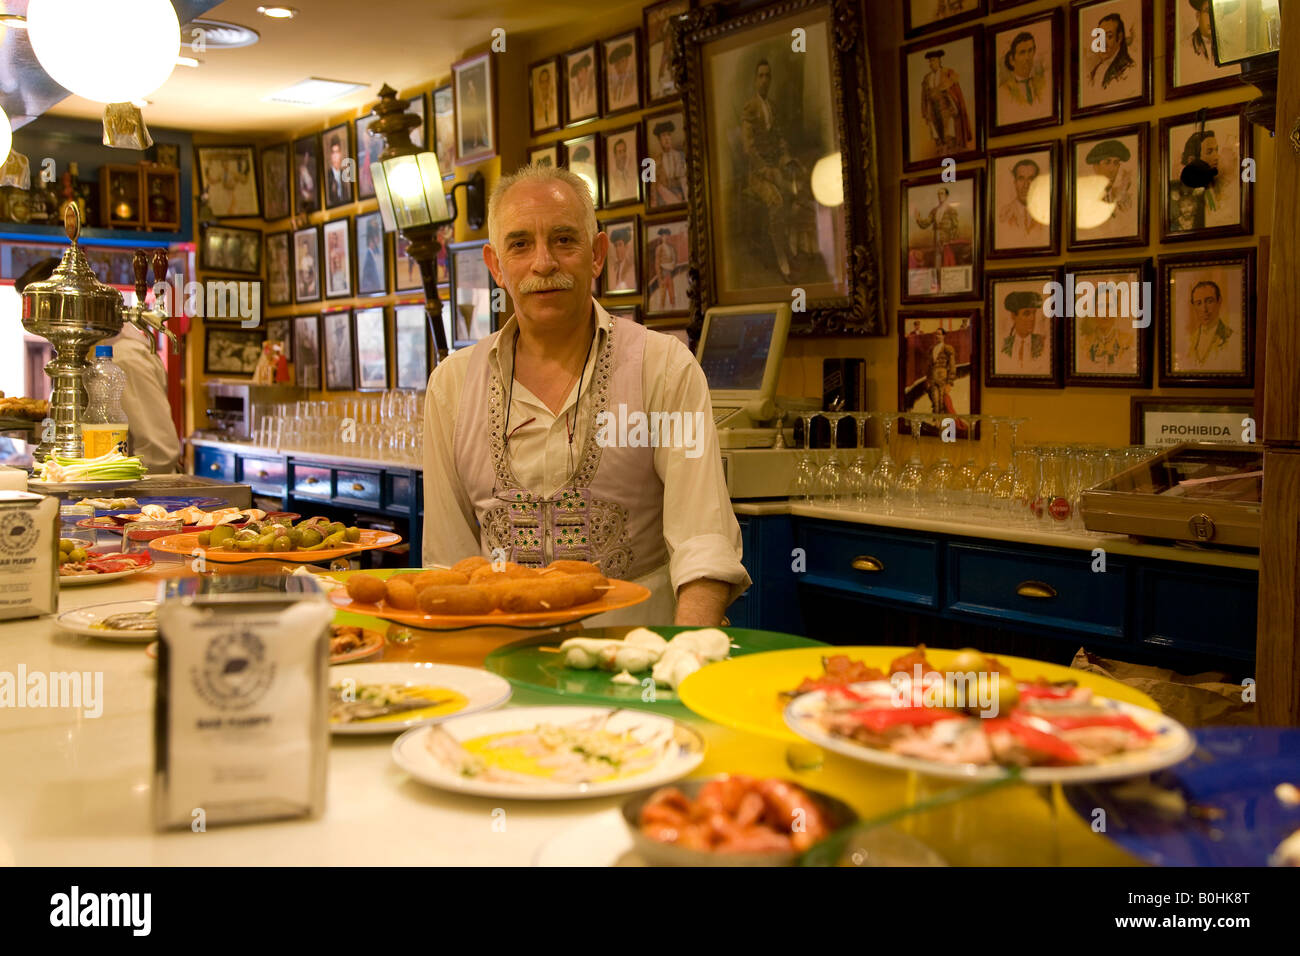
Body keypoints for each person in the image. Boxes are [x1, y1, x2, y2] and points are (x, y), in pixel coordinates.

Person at [421, 164, 749, 625]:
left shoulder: (664, 367)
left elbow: (703, 541)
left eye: (563, 239)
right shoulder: (451, 385)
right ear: (495, 265)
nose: (544, 263)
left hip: (636, 658)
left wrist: (682, 660)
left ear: (596, 254)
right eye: (520, 244)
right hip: (503, 659)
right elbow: (448, 562)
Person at [16, 258, 180, 473]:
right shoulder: (82, 353)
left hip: (132, 496)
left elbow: (159, 452)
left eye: (46, 310)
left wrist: (123, 492)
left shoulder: (124, 357)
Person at [741, 59, 795, 281]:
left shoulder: (771, 106)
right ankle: (780, 257)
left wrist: (785, 158)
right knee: (776, 201)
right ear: (755, 80)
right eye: (760, 75)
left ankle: (787, 243)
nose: (764, 80)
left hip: (774, 167)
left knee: (793, 189)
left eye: (768, 76)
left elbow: (780, 138)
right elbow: (748, 146)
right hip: (757, 174)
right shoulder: (750, 107)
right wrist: (764, 169)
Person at [919, 49, 971, 154]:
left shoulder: (947, 73)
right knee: (935, 130)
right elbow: (924, 96)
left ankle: (949, 150)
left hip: (946, 107)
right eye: (930, 61)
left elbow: (953, 87)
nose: (931, 64)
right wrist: (925, 110)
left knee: (948, 130)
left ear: (938, 61)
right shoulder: (927, 78)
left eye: (933, 60)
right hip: (933, 108)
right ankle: (941, 149)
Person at [1084, 139, 1134, 238]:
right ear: (1095, 166)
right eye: (1107, 162)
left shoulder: (1120, 198)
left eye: (1116, 163)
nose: (1112, 169)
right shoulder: (1085, 199)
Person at [1185, 280, 1234, 369]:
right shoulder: (1190, 340)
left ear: (1219, 302)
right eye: (1199, 303)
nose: (1204, 309)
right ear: (1194, 307)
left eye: (1209, 301)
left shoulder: (1231, 337)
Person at [997, 158, 1046, 245]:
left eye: (1031, 179)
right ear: (1015, 183)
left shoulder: (1046, 214)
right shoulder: (1004, 214)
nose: (1026, 185)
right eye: (1021, 179)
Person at [999, 291, 1049, 374]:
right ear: (1013, 316)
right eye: (1026, 314)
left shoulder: (1042, 343)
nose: (1032, 319)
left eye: (1034, 313)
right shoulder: (1004, 344)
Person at [1086, 13, 1137, 94]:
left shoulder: (1127, 69)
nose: (1103, 44)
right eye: (1100, 37)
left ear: (1119, 38)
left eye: (1109, 36)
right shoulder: (1096, 70)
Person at [999, 30, 1047, 113]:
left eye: (1030, 51)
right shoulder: (1004, 90)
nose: (1027, 58)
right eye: (1022, 53)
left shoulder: (1042, 83)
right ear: (1012, 60)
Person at [651, 119, 686, 207]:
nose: (666, 138)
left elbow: (684, 181)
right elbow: (653, 187)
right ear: (659, 140)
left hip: (679, 196)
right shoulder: (656, 160)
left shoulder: (679, 156)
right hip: (662, 200)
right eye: (663, 136)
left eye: (668, 135)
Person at [924, 327, 957, 414]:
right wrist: (928, 379)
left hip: (943, 378)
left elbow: (952, 366)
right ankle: (937, 423)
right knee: (935, 401)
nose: (937, 336)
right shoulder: (932, 349)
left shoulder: (948, 348)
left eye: (939, 334)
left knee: (942, 402)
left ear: (943, 336)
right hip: (933, 378)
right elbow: (929, 366)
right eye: (936, 334)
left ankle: (942, 424)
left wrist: (949, 383)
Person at [652, 226, 679, 310]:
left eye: (667, 235)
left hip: (669, 274)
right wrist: (660, 277)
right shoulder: (659, 248)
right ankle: (662, 310)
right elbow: (657, 263)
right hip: (663, 274)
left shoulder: (671, 248)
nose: (666, 237)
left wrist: (671, 266)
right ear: (661, 237)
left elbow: (675, 261)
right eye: (664, 235)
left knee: (672, 294)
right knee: (662, 295)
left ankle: (673, 309)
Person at [608, 135, 637, 203]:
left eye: (624, 151)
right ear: (615, 155)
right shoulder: (612, 178)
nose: (623, 154)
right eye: (620, 152)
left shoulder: (633, 175)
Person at [607, 227, 635, 291]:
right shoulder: (615, 267)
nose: (617, 249)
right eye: (615, 245)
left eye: (620, 245)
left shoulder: (630, 267)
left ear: (626, 246)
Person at [360, 217, 383, 292]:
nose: (378, 239)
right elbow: (366, 284)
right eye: (376, 236)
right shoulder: (368, 258)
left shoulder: (373, 255)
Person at [325, 138, 349, 206]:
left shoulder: (344, 174)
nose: (335, 156)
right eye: (333, 153)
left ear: (340, 154)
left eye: (337, 152)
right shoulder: (327, 176)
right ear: (330, 155)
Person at [534, 65, 556, 129]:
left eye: (546, 81)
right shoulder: (537, 108)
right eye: (542, 82)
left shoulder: (553, 103)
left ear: (549, 82)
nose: (544, 85)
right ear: (539, 84)